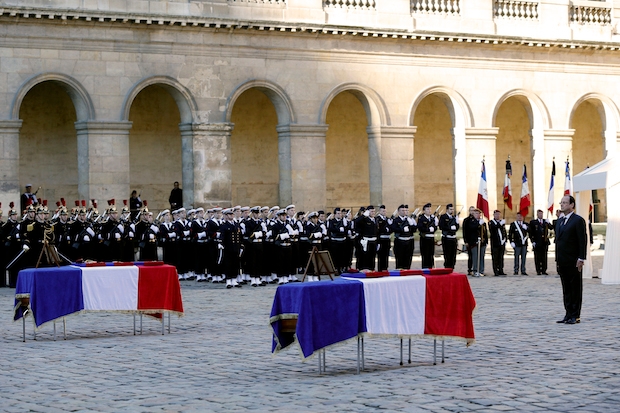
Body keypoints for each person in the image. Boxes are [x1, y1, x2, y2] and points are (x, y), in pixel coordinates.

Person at [555, 195, 587, 324]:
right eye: (561, 202)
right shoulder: (560, 221)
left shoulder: (578, 220)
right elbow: (558, 242)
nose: (562, 204)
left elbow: (582, 240)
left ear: (572, 205)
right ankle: (568, 313)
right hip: (562, 260)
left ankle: (575, 315)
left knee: (575, 288)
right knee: (566, 289)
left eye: (564, 202)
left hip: (574, 261)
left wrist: (581, 258)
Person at [390, 204, 416, 269]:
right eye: (402, 210)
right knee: (400, 258)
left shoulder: (408, 219)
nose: (404, 212)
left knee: (408, 258)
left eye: (405, 210)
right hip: (400, 241)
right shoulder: (396, 220)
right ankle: (399, 271)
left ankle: (407, 270)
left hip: (408, 241)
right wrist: (402, 229)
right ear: (399, 212)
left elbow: (414, 230)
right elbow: (393, 228)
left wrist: (412, 224)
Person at [464, 208, 488, 276]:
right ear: (473, 214)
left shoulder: (482, 222)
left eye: (479, 213)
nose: (478, 215)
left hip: (482, 242)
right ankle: (475, 270)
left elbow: (485, 232)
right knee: (475, 257)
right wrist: (478, 224)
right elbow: (471, 228)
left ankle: (481, 270)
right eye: (476, 213)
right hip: (474, 242)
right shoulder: (471, 221)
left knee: (481, 257)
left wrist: (486, 241)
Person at [529, 209, 551, 275]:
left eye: (541, 214)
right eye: (539, 214)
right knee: (537, 257)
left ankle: (544, 270)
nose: (540, 215)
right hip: (537, 242)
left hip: (544, 242)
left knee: (544, 257)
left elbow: (551, 228)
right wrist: (532, 241)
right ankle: (538, 270)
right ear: (537, 214)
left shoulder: (545, 221)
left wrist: (548, 223)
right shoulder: (533, 222)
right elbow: (531, 232)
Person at [438, 203, 459, 269]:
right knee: (448, 255)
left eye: (452, 209)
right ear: (447, 210)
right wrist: (449, 228)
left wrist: (457, 223)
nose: (452, 210)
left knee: (453, 255)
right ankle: (447, 267)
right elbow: (441, 226)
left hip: (453, 238)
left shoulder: (453, 217)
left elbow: (456, 228)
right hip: (447, 238)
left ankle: (452, 267)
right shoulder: (443, 217)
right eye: (450, 209)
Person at [417, 203, 437, 269]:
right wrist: (428, 229)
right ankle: (425, 269)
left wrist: (435, 227)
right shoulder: (421, 218)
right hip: (425, 238)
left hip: (431, 238)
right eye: (427, 209)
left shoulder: (432, 218)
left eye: (430, 209)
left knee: (431, 254)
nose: (429, 210)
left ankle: (431, 268)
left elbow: (434, 227)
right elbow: (420, 228)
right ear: (424, 211)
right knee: (425, 254)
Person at [488, 210, 507, 276]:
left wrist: (505, 239)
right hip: (495, 243)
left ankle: (501, 270)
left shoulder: (501, 222)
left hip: (502, 242)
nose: (497, 215)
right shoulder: (491, 222)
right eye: (496, 214)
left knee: (501, 257)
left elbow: (504, 231)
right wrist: (500, 224)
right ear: (494, 215)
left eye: (498, 214)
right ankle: (495, 271)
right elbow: (493, 228)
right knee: (495, 257)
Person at [461, 206, 476, 275]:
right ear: (469, 211)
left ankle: (476, 268)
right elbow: (464, 231)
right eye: (471, 210)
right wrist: (466, 241)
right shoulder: (466, 220)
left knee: (475, 256)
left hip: (476, 240)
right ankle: (470, 269)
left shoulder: (476, 219)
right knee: (470, 256)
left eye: (473, 210)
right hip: (469, 240)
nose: (472, 212)